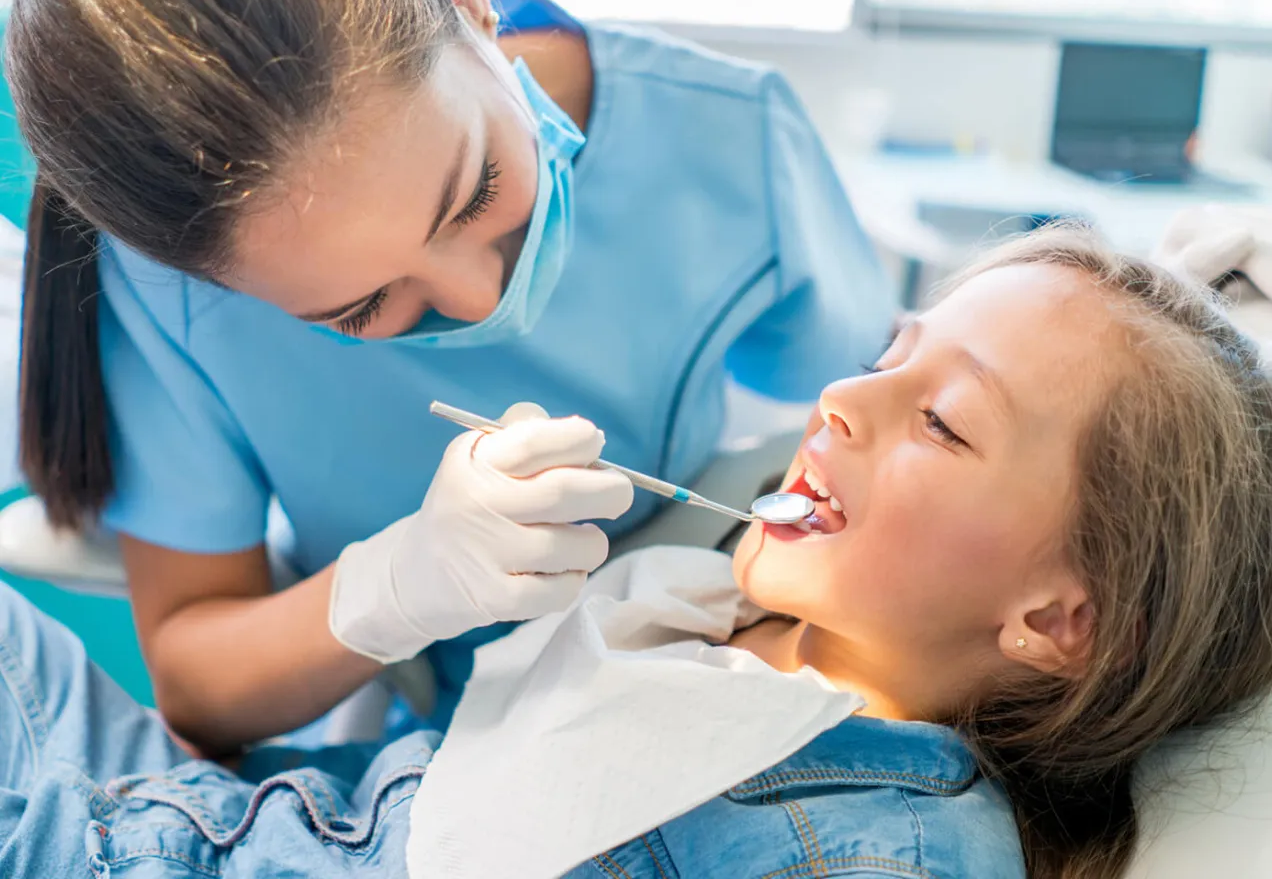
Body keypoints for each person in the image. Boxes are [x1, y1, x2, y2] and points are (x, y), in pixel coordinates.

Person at [4, 226, 1272, 879]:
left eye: (940, 420)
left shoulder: (880, 850)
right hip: (202, 810)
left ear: (1061, 621)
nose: (840, 397)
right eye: (890, 353)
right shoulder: (745, 613)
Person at [5, 0, 894, 753]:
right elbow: (198, 686)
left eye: (479, 193)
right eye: (359, 307)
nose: (479, 302)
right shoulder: (167, 297)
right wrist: (396, 587)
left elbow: (863, 443)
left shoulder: (730, 135)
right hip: (437, 742)